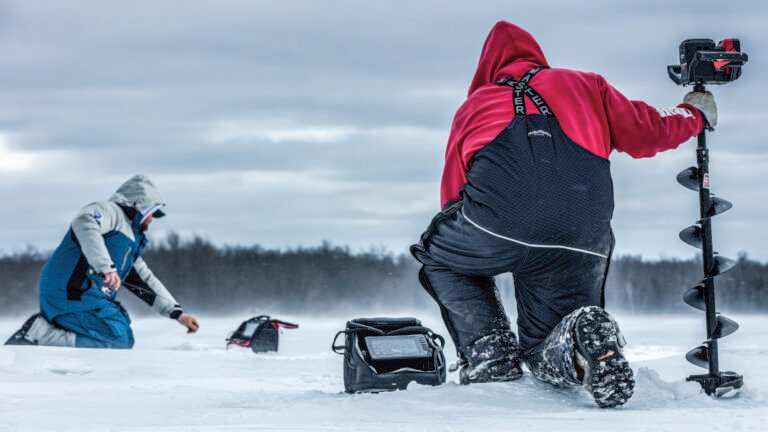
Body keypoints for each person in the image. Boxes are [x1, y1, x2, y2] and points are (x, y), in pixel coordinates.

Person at [410, 21, 716, 408]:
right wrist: (693, 114)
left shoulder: (476, 104)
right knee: (545, 346)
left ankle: (491, 357)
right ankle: (580, 341)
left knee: (439, 256)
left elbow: (453, 194)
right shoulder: (586, 85)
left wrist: (484, 238)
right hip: (582, 236)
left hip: (495, 227)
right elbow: (647, 131)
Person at [5, 174, 200, 349]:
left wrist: (178, 314)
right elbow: (85, 222)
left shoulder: (130, 242)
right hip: (70, 294)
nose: (152, 219)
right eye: (152, 213)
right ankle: (40, 334)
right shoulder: (110, 211)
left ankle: (46, 334)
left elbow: (145, 281)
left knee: (121, 335)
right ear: (141, 206)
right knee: (119, 339)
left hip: (88, 299)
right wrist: (105, 267)